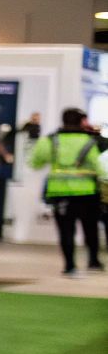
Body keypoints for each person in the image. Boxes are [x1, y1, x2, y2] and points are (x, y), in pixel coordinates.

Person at [28, 107, 105, 275]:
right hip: (88, 193)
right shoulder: (89, 141)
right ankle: (93, 261)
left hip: (59, 192)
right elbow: (99, 167)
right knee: (90, 228)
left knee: (66, 230)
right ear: (81, 122)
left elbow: (35, 162)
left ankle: (70, 266)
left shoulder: (50, 140)